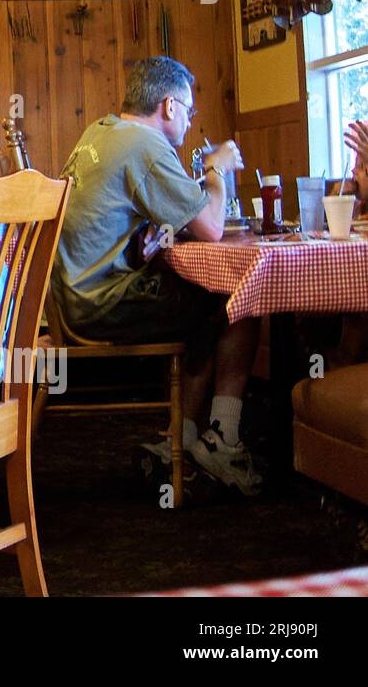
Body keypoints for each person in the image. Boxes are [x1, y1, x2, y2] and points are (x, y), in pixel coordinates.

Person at [53, 56, 262, 495]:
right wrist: (216, 167)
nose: (189, 120)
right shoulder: (144, 146)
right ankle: (222, 438)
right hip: (99, 304)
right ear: (168, 106)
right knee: (241, 296)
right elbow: (211, 227)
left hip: (70, 295)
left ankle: (182, 439)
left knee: (205, 298)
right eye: (188, 109)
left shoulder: (102, 131)